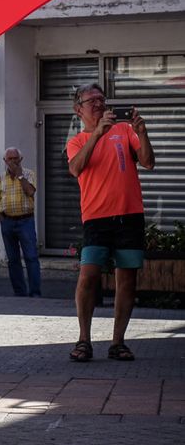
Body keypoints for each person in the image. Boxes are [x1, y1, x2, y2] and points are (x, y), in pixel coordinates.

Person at [67, 83, 155, 363]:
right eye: (91, 100)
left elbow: (148, 162)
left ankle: (118, 342)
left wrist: (142, 133)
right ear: (78, 109)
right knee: (88, 276)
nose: (98, 104)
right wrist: (97, 134)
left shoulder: (124, 131)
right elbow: (76, 168)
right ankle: (84, 339)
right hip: (96, 218)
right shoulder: (77, 141)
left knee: (127, 279)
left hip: (129, 216)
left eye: (101, 99)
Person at [0, 147, 41, 297]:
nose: (13, 162)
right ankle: (19, 292)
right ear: (5, 161)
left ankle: (35, 292)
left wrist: (20, 176)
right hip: (8, 222)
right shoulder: (0, 178)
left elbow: (31, 192)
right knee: (13, 259)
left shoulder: (29, 174)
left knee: (31, 257)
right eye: (10, 159)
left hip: (25, 221)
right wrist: (2, 220)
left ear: (21, 159)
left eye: (15, 158)